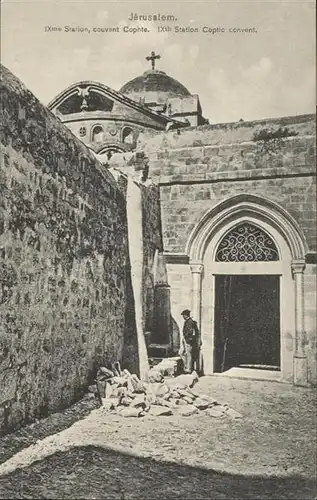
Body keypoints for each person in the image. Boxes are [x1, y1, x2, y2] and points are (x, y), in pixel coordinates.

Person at [179, 309, 201, 373]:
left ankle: (188, 368)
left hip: (188, 340)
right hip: (186, 339)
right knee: (181, 353)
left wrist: (187, 337)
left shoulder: (190, 322)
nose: (183, 317)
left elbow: (190, 331)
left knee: (188, 354)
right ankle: (186, 366)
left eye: (183, 315)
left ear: (186, 315)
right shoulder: (188, 321)